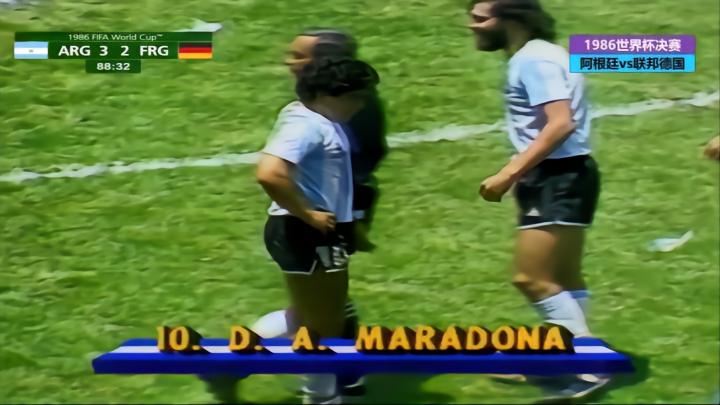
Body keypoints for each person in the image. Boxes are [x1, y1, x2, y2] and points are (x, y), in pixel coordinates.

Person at [468, 0, 608, 399]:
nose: (472, 26)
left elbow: (560, 123)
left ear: (512, 19)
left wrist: (508, 173)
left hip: (555, 177)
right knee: (563, 279)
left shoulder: (534, 60)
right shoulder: (546, 53)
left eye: (480, 18)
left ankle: (590, 364)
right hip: (569, 174)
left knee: (530, 278)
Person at [250, 29, 386, 398]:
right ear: (331, 93)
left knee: (311, 316)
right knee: (324, 328)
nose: (362, 104)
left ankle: (233, 361)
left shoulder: (316, 119)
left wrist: (348, 225)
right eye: (358, 96)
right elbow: (269, 173)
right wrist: (309, 215)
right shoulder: (308, 124)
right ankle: (322, 396)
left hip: (313, 231)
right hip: (306, 232)